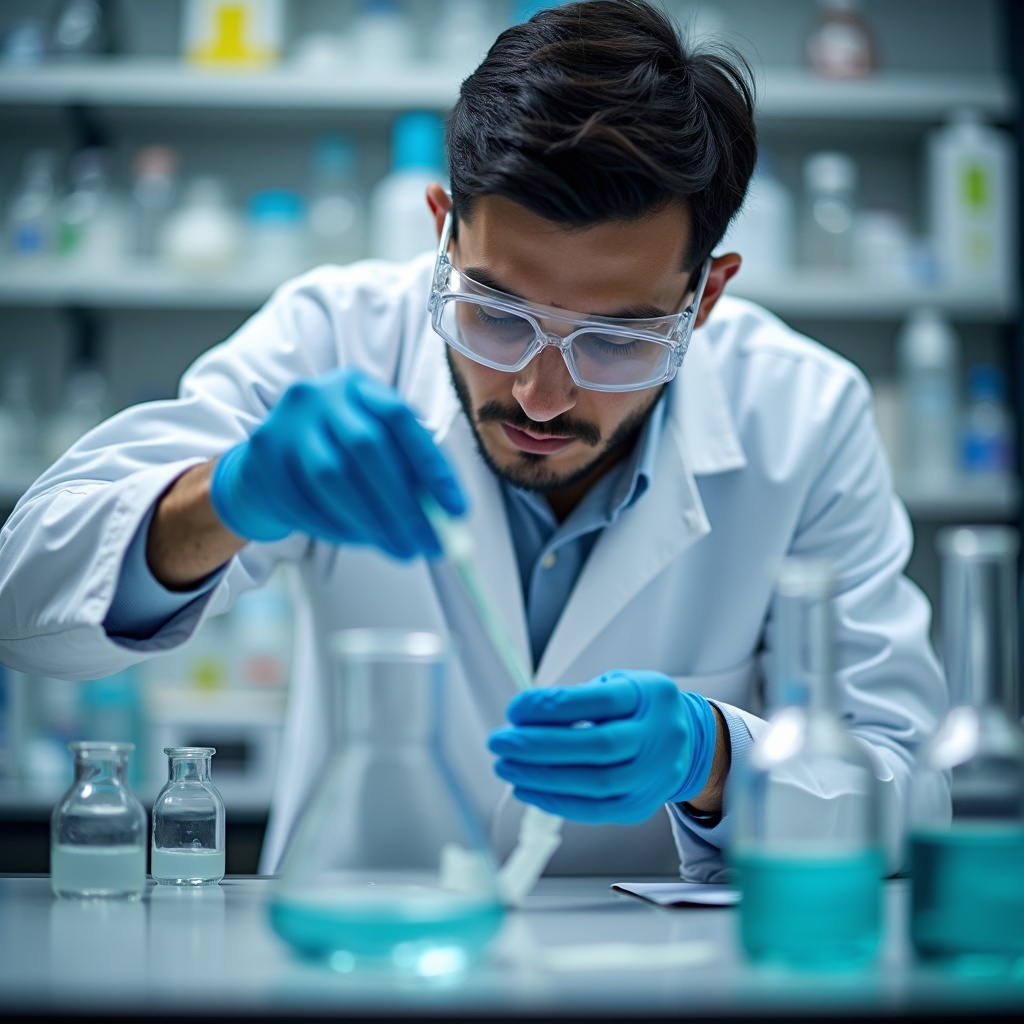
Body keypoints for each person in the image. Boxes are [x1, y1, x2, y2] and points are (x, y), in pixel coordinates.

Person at [0, 0, 945, 881]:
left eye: (616, 339)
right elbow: (25, 605)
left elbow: (911, 790)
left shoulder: (806, 415)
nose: (541, 393)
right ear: (442, 235)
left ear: (706, 296)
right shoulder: (334, 337)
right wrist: (231, 493)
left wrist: (717, 756)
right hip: (366, 959)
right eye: (496, 312)